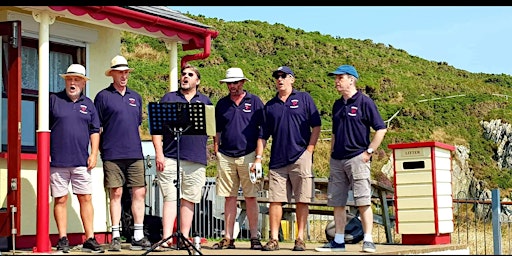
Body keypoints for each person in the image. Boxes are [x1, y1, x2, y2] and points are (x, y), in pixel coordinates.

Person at [316, 65, 387, 253]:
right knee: (337, 201)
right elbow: (334, 132)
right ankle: (338, 241)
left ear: (351, 79)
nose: (336, 81)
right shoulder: (337, 104)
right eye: (336, 78)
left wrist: (369, 151)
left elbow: (381, 128)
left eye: (340, 78)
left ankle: (368, 240)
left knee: (363, 200)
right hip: (337, 159)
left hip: (358, 157)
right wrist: (331, 152)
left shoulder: (365, 102)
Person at [259, 66, 322, 251]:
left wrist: (309, 150)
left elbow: (316, 125)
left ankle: (300, 238)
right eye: (277, 76)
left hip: (300, 156)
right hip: (277, 160)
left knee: (302, 199)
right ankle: (273, 239)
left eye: (283, 76)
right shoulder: (270, 105)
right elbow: (263, 134)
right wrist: (258, 157)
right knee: (275, 200)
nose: (279, 79)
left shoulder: (304, 98)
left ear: (292, 79)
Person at [151, 64, 213, 250]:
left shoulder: (205, 101)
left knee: (189, 198)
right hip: (170, 157)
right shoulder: (169, 98)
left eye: (190, 74)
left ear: (197, 80)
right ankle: (166, 238)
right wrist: (159, 153)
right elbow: (156, 129)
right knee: (170, 197)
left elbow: (211, 130)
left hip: (196, 158)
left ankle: (184, 238)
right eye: (183, 74)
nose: (185, 77)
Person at [94, 55, 150, 251]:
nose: (124, 76)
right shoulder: (102, 96)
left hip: (135, 153)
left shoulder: (136, 97)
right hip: (112, 153)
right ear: (113, 75)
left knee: (139, 192)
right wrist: (96, 152)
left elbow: (136, 125)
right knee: (116, 192)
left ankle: (138, 234)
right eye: (120, 72)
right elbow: (97, 128)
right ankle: (116, 235)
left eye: (126, 72)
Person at [49, 64, 104, 253]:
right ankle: (63, 239)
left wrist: (94, 154)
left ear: (83, 82)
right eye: (69, 79)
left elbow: (95, 131)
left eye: (77, 79)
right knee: (61, 199)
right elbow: (43, 128)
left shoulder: (89, 104)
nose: (73, 82)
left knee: (85, 198)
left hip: (82, 160)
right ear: (65, 81)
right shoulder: (53, 100)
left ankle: (90, 238)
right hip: (57, 160)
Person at [211, 67, 264, 250]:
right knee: (229, 198)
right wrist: (216, 148)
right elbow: (216, 129)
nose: (232, 86)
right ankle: (228, 237)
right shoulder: (222, 104)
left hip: (249, 154)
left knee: (251, 197)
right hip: (226, 155)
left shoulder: (255, 101)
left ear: (242, 82)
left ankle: (254, 237)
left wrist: (259, 156)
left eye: (235, 82)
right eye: (229, 83)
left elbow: (262, 131)